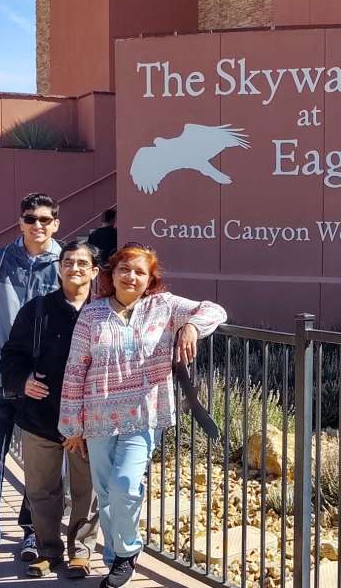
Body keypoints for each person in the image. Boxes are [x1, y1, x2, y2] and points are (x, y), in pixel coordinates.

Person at [59, 244, 226, 588]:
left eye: (139, 272)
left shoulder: (163, 307)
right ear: (112, 273)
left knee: (125, 485)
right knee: (105, 492)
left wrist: (192, 327)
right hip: (98, 417)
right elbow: (75, 370)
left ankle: (127, 550)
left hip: (143, 416)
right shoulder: (92, 315)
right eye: (124, 269)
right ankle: (116, 555)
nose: (131, 277)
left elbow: (215, 310)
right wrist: (72, 426)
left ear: (150, 279)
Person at [0, 192, 63, 572]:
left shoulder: (66, 263)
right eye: (29, 218)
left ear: (55, 222)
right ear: (20, 221)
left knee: (42, 467)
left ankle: (32, 533)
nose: (37, 225)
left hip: (42, 385)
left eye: (44, 218)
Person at [0, 240, 101, 578]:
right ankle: (48, 551)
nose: (75, 268)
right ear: (59, 268)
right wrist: (22, 379)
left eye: (82, 263)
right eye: (68, 261)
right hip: (40, 417)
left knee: (85, 490)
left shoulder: (104, 313)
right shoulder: (37, 309)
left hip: (88, 421)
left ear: (95, 271)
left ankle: (81, 551)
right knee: (42, 490)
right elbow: (11, 354)